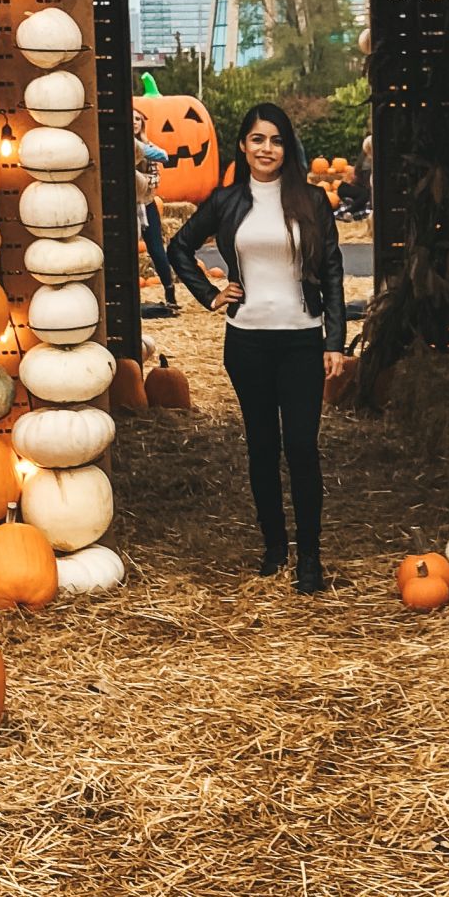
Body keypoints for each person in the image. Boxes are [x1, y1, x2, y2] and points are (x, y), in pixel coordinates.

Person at [168, 101, 347, 592]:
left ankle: (310, 558)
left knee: (303, 448)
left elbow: (332, 270)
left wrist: (335, 340)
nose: (266, 148)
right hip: (247, 341)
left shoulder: (311, 201)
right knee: (263, 448)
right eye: (257, 139)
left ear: (286, 147)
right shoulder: (226, 201)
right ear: (244, 146)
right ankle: (274, 548)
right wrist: (209, 293)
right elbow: (178, 247)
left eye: (276, 140)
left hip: (302, 341)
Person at [134, 108, 178, 312]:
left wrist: (139, 182)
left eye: (138, 119)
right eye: (131, 118)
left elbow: (162, 160)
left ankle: (170, 292)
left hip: (146, 202)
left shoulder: (147, 148)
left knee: (156, 249)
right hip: (125, 206)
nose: (134, 122)